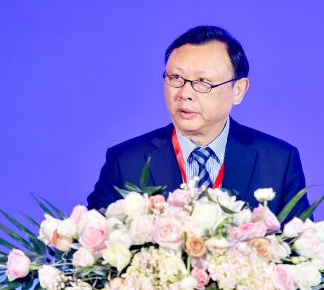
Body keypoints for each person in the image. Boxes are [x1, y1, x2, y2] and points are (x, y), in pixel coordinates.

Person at [87, 25, 311, 218]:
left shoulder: (278, 161)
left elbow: (299, 251)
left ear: (238, 90)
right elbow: (87, 248)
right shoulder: (126, 162)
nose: (185, 93)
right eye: (176, 78)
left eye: (203, 81)